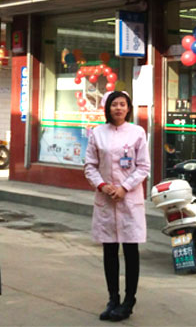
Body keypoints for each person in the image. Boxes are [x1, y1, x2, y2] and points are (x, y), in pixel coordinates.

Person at [84, 90, 150, 322]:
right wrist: (102, 186)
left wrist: (124, 187)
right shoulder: (97, 133)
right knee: (109, 251)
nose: (119, 108)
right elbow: (90, 165)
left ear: (128, 108)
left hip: (129, 200)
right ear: (108, 108)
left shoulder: (137, 132)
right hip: (106, 199)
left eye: (123, 104)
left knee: (131, 252)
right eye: (114, 104)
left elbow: (143, 167)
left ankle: (129, 301)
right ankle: (113, 298)